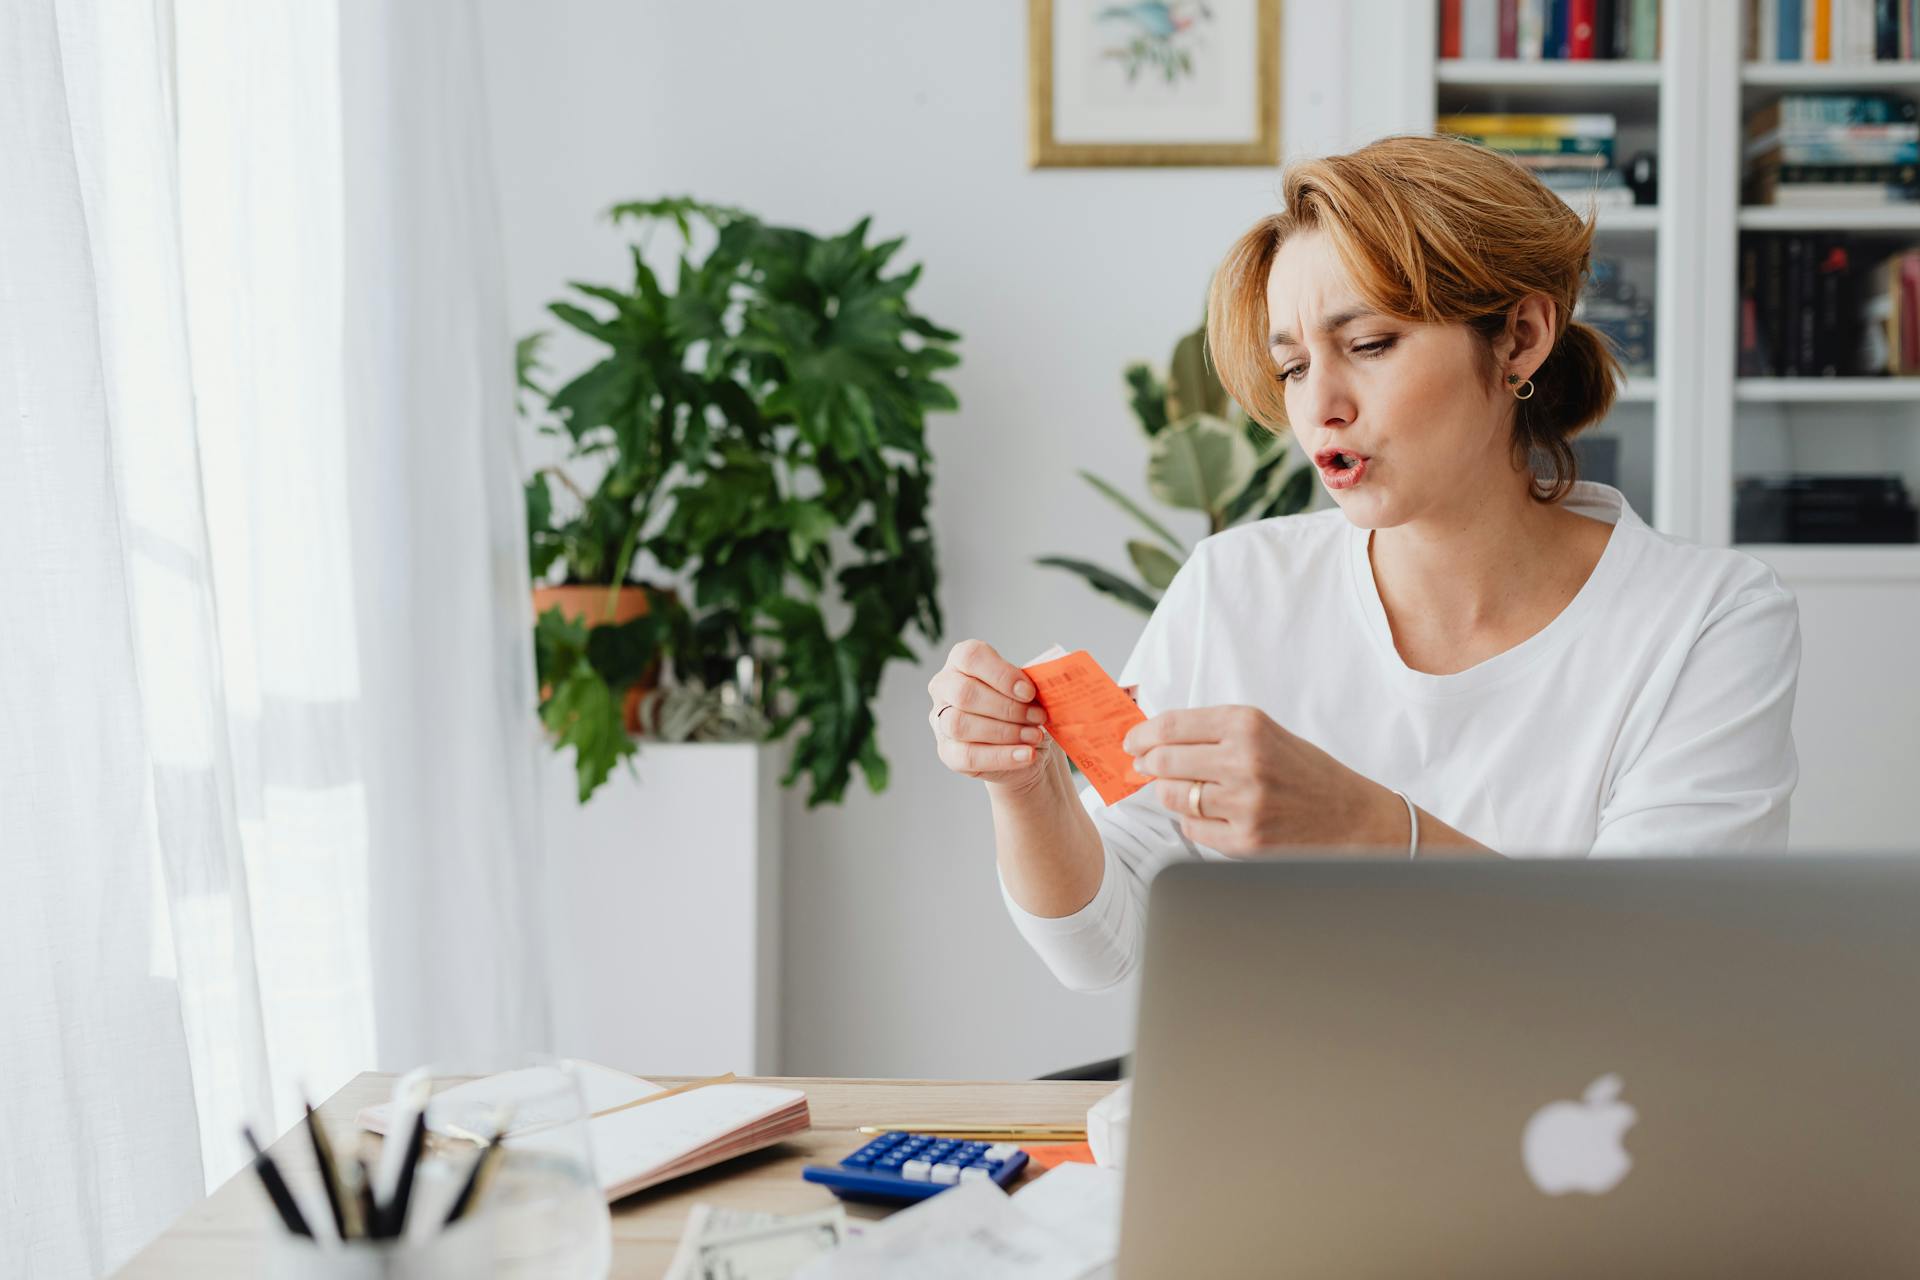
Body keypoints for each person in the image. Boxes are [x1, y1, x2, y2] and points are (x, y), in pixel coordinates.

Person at [926, 134, 1803, 993]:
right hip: (1275, 1112)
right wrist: (1030, 787)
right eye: (1295, 366)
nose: (1322, 408)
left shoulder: (1706, 618)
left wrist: (1370, 827)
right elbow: (1101, 951)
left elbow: (1665, 977)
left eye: (1371, 345)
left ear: (1520, 339)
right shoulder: (1236, 586)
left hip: (1564, 1127)